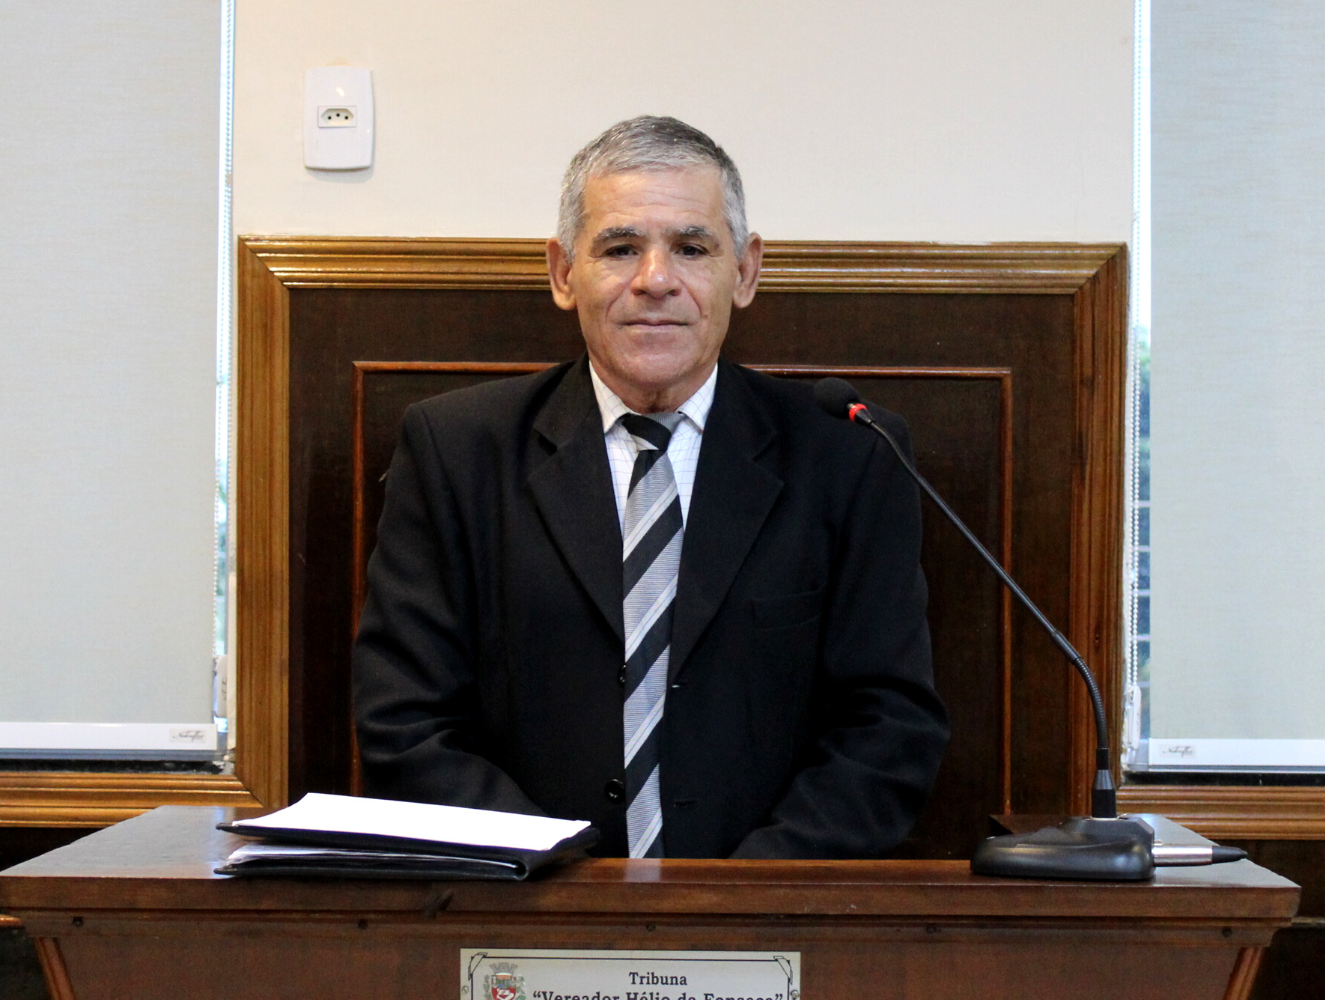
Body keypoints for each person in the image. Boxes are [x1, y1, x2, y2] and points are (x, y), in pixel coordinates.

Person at [353, 116, 949, 859]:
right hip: (525, 901)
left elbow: (888, 725)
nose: (656, 280)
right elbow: (404, 722)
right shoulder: (456, 451)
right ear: (563, 273)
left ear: (746, 271)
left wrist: (739, 898)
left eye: (692, 248)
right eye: (621, 248)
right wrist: (560, 886)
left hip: (767, 906)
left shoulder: (848, 456)